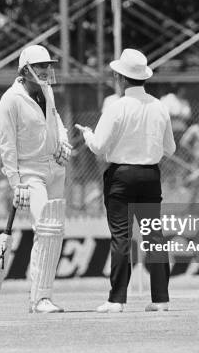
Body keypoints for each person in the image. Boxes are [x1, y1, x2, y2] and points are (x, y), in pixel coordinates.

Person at [75, 48, 176, 313]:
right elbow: (171, 149)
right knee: (154, 236)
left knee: (121, 237)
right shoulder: (159, 107)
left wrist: (87, 134)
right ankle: (161, 299)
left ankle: (117, 299)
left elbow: (98, 146)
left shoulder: (116, 106)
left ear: (120, 78)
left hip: (121, 175)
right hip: (150, 175)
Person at [0, 45, 72, 313]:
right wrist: (15, 183)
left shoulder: (47, 91)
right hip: (30, 172)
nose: (46, 70)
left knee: (56, 232)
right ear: (25, 69)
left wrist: (63, 140)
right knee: (46, 228)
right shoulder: (10, 100)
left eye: (47, 65)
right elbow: (6, 145)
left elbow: (55, 118)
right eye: (40, 66)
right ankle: (39, 298)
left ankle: (43, 295)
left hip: (54, 167)